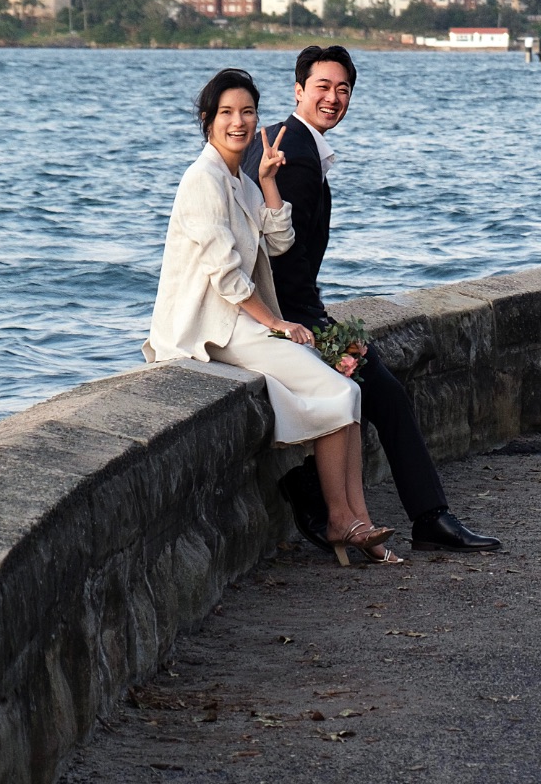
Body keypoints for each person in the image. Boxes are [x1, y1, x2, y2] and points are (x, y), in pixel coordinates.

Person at [242, 45, 501, 554]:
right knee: (381, 395)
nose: (333, 98)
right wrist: (304, 325)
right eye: (323, 87)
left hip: (291, 307)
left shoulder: (286, 139)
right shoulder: (291, 152)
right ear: (298, 90)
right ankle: (416, 516)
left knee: (381, 395)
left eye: (343, 90)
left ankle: (336, 495)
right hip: (288, 313)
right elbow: (280, 253)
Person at [143, 67, 396, 566]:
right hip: (215, 324)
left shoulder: (239, 179)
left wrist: (268, 181)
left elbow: (281, 240)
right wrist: (277, 323)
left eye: (248, 112)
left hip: (241, 320)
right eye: (227, 114)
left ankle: (354, 521)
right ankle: (344, 520)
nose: (239, 123)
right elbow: (228, 279)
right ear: (207, 121)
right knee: (342, 389)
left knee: (346, 391)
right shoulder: (203, 179)